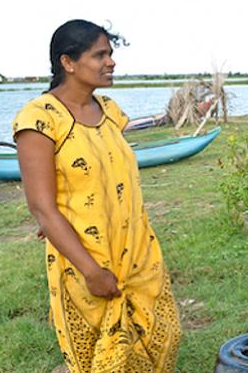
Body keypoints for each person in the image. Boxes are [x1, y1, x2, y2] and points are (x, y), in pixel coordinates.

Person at [13, 19, 181, 372]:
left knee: (161, 338)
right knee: (104, 358)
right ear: (68, 62)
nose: (111, 62)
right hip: (87, 263)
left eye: (111, 54)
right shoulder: (40, 119)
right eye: (99, 55)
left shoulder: (110, 112)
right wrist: (92, 272)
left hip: (137, 251)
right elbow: (43, 208)